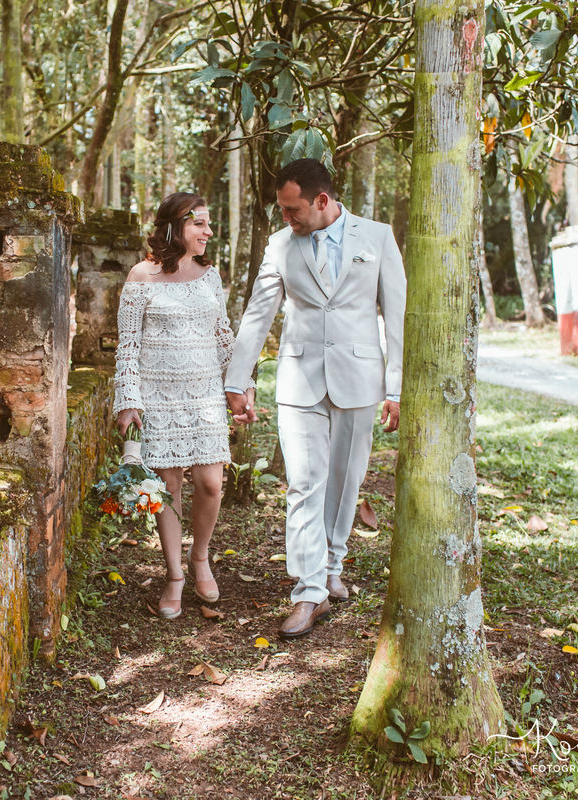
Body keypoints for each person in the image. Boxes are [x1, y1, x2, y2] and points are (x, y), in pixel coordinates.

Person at [225, 158, 406, 639]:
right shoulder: (281, 245)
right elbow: (259, 310)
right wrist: (236, 378)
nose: (286, 218)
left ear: (322, 201)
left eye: (292, 209)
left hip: (359, 378)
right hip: (299, 378)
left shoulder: (378, 237)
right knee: (303, 483)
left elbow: (398, 314)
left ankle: (331, 568)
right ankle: (307, 592)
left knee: (346, 482)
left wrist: (396, 387)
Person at [113, 192, 234, 620]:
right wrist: (128, 402)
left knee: (211, 484)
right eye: (199, 223)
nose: (208, 232)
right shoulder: (140, 276)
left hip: (204, 398)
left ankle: (200, 556)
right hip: (158, 397)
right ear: (175, 227)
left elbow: (223, 337)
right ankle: (175, 576)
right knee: (168, 489)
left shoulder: (210, 276)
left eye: (208, 223)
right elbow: (127, 347)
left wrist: (240, 386)